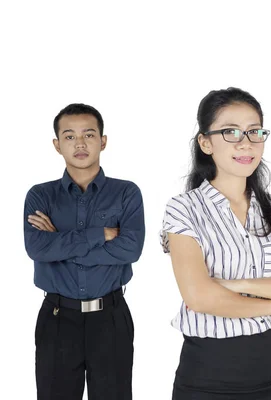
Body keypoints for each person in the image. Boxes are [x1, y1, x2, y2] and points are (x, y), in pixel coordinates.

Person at [160, 87, 271, 400]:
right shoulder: (183, 208)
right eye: (231, 132)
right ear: (205, 142)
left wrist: (233, 285)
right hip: (208, 376)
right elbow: (199, 297)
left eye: (254, 131)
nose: (245, 142)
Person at [24, 103, 145, 400]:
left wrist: (60, 243)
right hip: (56, 319)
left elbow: (130, 249)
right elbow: (36, 247)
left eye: (89, 135)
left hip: (111, 319)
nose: (80, 143)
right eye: (69, 136)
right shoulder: (40, 195)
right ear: (57, 145)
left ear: (103, 141)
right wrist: (99, 235)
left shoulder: (126, 193)